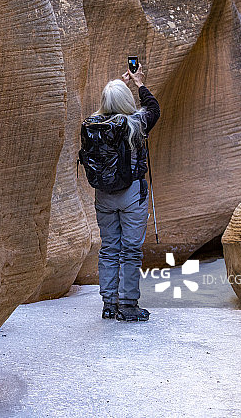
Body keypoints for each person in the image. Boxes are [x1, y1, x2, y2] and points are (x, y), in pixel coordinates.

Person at [92, 64, 159, 322]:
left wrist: (119, 85)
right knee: (130, 250)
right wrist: (138, 83)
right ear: (126, 100)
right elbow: (154, 109)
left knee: (109, 248)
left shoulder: (93, 125)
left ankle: (109, 304)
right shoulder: (135, 123)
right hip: (132, 194)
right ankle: (129, 305)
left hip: (104, 195)